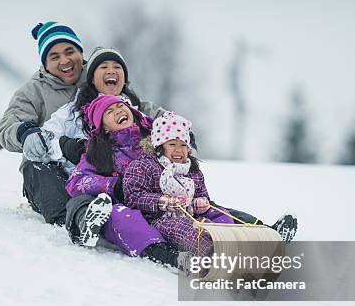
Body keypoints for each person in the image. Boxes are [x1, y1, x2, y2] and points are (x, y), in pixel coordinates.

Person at [123, 111, 298, 260]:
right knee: (190, 230)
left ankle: (258, 242)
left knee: (223, 219)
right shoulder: (144, 165)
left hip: (192, 215)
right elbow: (133, 195)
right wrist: (164, 201)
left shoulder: (192, 170)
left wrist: (201, 203)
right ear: (159, 146)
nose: (179, 150)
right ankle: (218, 256)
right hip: (159, 220)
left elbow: (203, 195)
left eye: (183, 145)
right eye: (172, 145)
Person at [65, 95, 185, 266]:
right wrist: (114, 186)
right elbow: (76, 182)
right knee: (119, 215)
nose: (118, 111)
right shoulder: (100, 152)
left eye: (120, 106)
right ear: (104, 127)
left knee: (207, 209)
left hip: (167, 203)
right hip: (133, 207)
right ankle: (166, 254)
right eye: (109, 111)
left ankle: (232, 230)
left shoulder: (155, 137)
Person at [0, 21, 85, 226]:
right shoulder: (33, 91)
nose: (64, 60)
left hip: (92, 165)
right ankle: (70, 220)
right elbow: (8, 125)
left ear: (80, 52)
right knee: (35, 164)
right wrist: (25, 133)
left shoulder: (98, 76)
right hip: (54, 173)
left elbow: (137, 106)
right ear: (45, 63)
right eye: (54, 56)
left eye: (69, 51)